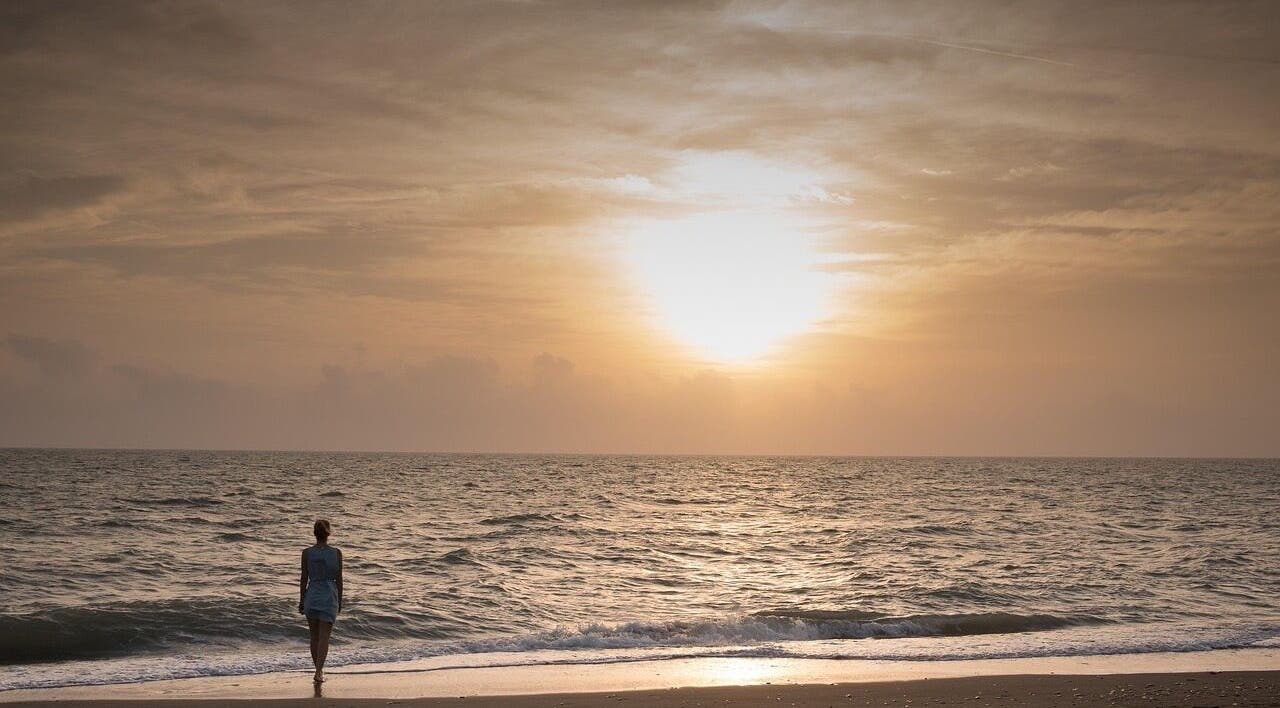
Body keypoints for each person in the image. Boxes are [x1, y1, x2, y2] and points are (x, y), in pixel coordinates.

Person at [299, 518, 343, 683]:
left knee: (314, 637)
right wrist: (340, 599)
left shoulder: (306, 553)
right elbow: (339, 579)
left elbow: (304, 578)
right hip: (329, 596)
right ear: (328, 534)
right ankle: (319, 671)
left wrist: (302, 599)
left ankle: (318, 670)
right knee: (324, 637)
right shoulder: (336, 553)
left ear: (314, 534)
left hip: (312, 595)